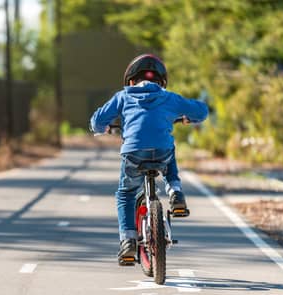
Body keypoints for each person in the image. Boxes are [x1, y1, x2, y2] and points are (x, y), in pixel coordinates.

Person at [89, 54, 208, 262]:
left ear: (131, 81)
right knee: (168, 150)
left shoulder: (123, 96)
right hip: (162, 152)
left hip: (133, 153)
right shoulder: (169, 97)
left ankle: (127, 242)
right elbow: (202, 111)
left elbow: (97, 120)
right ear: (160, 83)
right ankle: (176, 193)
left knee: (125, 194)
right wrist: (190, 117)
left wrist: (103, 128)